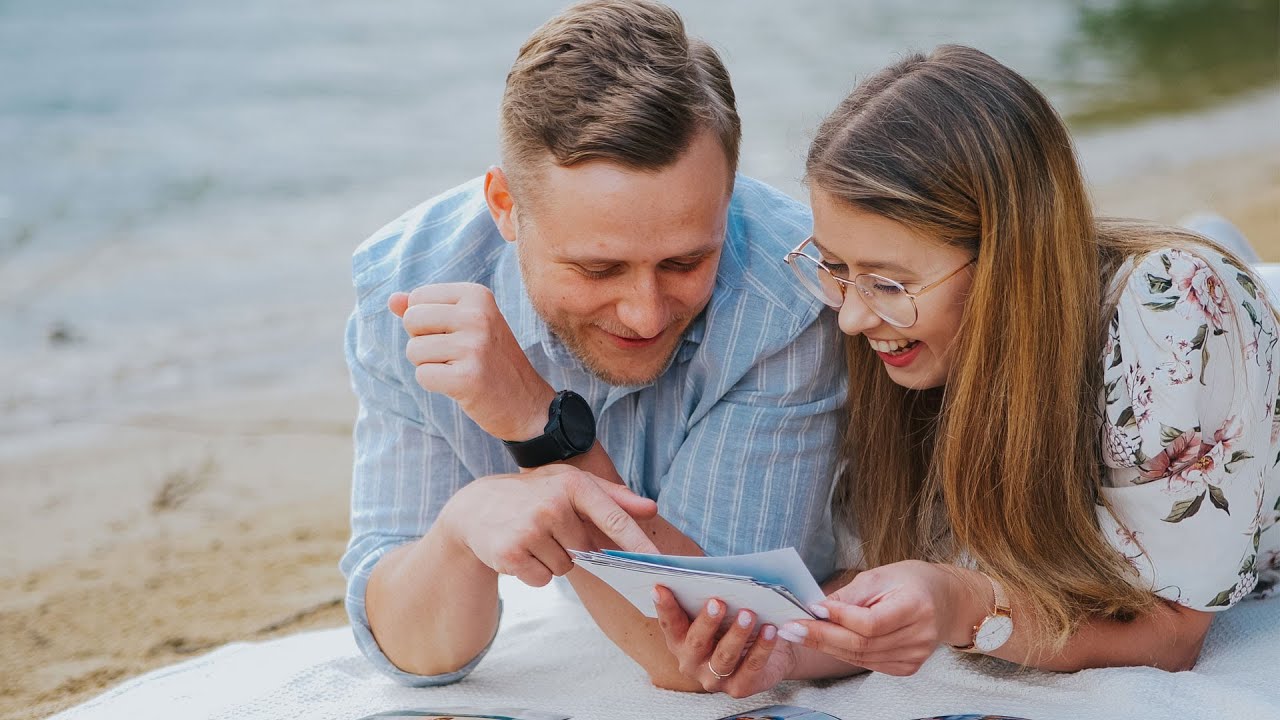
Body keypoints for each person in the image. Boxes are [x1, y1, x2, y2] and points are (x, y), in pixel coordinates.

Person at [653, 44, 1280, 697]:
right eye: (835, 266)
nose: (850, 320)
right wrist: (779, 646)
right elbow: (891, 591)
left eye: (888, 283)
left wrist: (965, 606)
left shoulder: (1173, 317)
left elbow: (1172, 632)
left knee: (1208, 280)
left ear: (1007, 261)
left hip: (1213, 358)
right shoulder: (912, 351)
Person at [339, 0, 846, 689]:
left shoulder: (791, 293)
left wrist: (537, 430)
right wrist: (460, 529)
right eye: (598, 269)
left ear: (728, 197)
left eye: (685, 262)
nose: (643, 314)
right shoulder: (406, 286)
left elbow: (707, 653)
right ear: (505, 207)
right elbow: (415, 652)